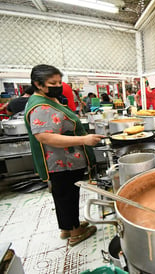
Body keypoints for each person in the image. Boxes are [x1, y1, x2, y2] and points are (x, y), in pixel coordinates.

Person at [24, 64, 105, 246]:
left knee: (61, 195)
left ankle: (66, 228)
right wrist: (84, 140)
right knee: (68, 195)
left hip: (63, 160)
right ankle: (76, 232)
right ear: (38, 84)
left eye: (60, 81)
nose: (58, 85)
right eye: (53, 83)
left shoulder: (47, 98)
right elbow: (44, 136)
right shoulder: (40, 106)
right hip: (61, 161)